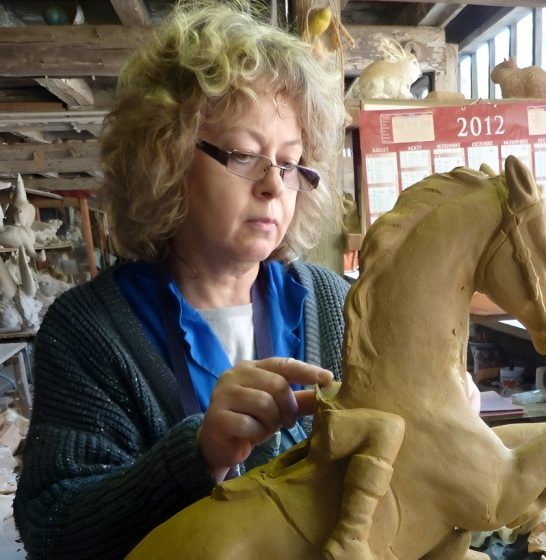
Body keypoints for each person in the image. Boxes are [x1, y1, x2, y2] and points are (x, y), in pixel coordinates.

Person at [13, 1, 351, 557]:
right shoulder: (87, 332)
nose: (273, 185)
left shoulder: (336, 305)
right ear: (164, 158)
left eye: (290, 164)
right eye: (244, 155)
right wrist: (199, 454)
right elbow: (55, 528)